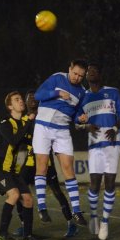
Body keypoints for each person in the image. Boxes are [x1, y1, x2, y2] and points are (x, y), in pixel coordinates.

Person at [14, 90, 78, 238]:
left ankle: (71, 223)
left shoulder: (45, 117)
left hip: (45, 162)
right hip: (30, 162)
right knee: (18, 191)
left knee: (57, 192)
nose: (32, 101)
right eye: (29, 98)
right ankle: (24, 225)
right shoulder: (25, 120)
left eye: (34, 98)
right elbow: (20, 138)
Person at [33, 59, 88, 226]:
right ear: (69, 69)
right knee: (41, 166)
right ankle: (42, 207)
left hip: (62, 130)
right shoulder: (57, 78)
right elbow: (37, 96)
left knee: (68, 168)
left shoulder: (82, 92)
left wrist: (81, 118)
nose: (77, 77)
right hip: (43, 126)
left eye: (81, 76)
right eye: (75, 73)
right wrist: (56, 93)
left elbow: (76, 115)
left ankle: (77, 211)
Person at [75, 62, 120, 240]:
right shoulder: (83, 96)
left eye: (95, 70)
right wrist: (86, 125)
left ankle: (105, 222)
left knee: (110, 182)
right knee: (95, 183)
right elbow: (77, 122)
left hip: (113, 142)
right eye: (88, 71)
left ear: (100, 75)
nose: (91, 73)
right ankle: (94, 215)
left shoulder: (113, 92)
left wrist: (115, 127)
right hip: (95, 143)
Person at [0, 91, 39, 240]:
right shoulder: (4, 123)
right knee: (14, 195)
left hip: (12, 171)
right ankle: (2, 233)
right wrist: (29, 121)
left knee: (28, 199)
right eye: (17, 100)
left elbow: (30, 140)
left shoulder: (23, 123)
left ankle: (28, 235)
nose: (21, 101)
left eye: (21, 99)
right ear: (10, 106)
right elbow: (14, 140)